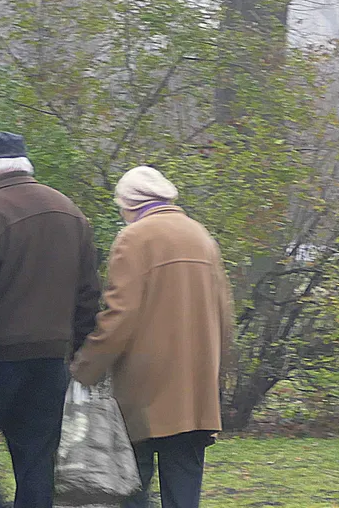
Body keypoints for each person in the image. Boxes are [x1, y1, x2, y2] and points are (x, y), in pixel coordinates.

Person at [0, 132, 103, 508]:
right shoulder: (70, 212)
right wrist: (80, 353)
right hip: (51, 362)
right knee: (36, 459)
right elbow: (88, 296)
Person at [71, 166, 234, 508]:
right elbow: (224, 314)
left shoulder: (134, 238)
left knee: (133, 484)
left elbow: (121, 314)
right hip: (195, 390)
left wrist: (86, 366)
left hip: (145, 390)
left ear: (129, 204)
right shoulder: (201, 236)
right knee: (184, 486)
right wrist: (215, 372)